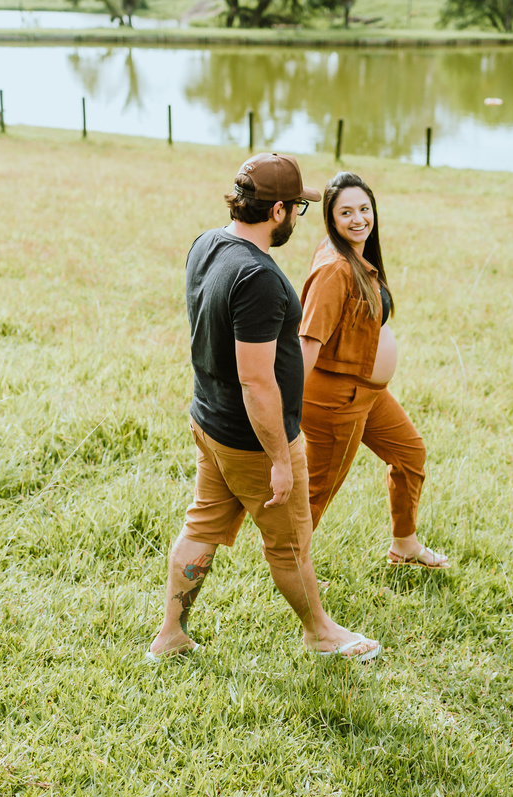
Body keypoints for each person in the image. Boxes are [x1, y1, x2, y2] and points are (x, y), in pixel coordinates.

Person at [146, 154, 381, 662]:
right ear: (277, 210)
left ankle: (171, 635)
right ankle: (319, 632)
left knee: (201, 525)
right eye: (297, 208)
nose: (298, 217)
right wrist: (280, 458)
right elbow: (257, 381)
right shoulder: (258, 278)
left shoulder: (207, 243)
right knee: (289, 543)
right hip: (252, 439)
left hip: (210, 421)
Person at [298, 172, 450, 569]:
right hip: (336, 399)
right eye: (345, 212)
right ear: (331, 218)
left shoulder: (355, 258)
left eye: (364, 209)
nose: (358, 219)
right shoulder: (335, 269)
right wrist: (283, 408)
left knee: (409, 454)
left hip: (366, 393)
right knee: (320, 489)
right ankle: (289, 564)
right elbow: (308, 340)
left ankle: (405, 545)